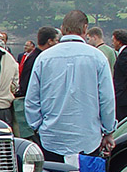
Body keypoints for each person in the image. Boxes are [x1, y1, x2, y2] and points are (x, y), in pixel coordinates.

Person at [24, 10, 115, 162]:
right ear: (85, 28)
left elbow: (32, 98)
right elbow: (106, 99)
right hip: (88, 138)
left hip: (51, 138)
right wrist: (108, 130)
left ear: (62, 28)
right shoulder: (98, 57)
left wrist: (37, 127)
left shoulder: (43, 58)